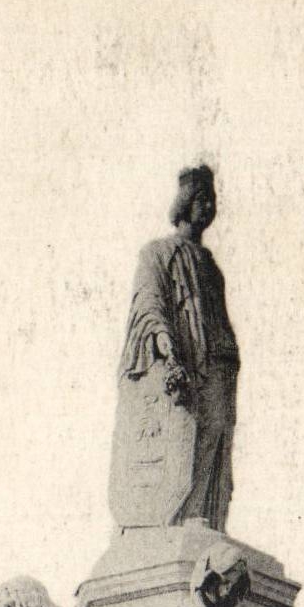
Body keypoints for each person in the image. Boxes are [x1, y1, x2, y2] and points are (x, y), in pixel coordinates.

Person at [110, 165, 240, 529]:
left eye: (212, 200)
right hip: (183, 359)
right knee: (187, 432)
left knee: (216, 433)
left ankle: (202, 514)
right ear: (184, 202)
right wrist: (167, 350)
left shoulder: (211, 266)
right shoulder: (158, 252)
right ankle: (179, 513)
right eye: (202, 199)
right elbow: (149, 304)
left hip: (218, 361)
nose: (209, 207)